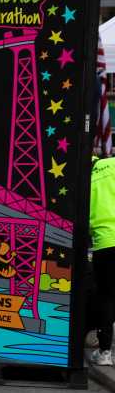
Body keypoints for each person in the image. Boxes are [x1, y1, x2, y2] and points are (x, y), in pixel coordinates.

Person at [89, 155, 115, 366]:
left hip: (104, 241)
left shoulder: (86, 174)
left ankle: (105, 352)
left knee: (106, 296)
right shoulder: (112, 165)